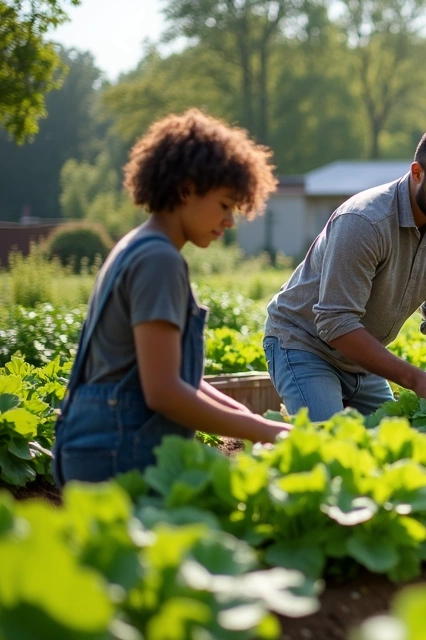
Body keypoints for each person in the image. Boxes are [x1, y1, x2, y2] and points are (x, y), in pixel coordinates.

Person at [52, 109, 291, 486]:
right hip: (117, 453)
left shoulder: (138, 245)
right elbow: (164, 392)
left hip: (98, 444)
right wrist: (265, 431)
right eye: (225, 204)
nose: (230, 221)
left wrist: (251, 420)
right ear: (187, 188)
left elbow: (179, 378)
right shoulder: (158, 260)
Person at [264, 123, 426, 420]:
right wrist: (417, 379)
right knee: (329, 447)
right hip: (305, 344)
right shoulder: (365, 222)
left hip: (361, 361)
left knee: (399, 445)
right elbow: (335, 321)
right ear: (417, 173)